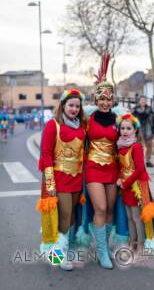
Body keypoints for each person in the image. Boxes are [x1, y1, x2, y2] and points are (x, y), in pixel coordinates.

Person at [36, 88, 86, 271]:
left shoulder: (81, 126)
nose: (74, 109)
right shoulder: (53, 125)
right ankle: (56, 255)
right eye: (71, 105)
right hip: (59, 180)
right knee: (64, 216)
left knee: (71, 217)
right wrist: (50, 183)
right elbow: (46, 154)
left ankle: (60, 249)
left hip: (76, 181)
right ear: (63, 105)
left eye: (77, 106)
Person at [84, 54, 118, 269]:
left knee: (111, 209)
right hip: (93, 168)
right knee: (101, 208)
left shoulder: (120, 119)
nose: (105, 102)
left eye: (108, 99)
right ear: (96, 100)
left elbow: (128, 144)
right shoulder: (88, 118)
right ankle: (103, 252)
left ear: (112, 100)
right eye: (101, 99)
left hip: (113, 169)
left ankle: (103, 246)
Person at [117, 113, 154, 253]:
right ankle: (132, 241)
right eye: (122, 128)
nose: (125, 131)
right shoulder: (120, 146)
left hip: (136, 186)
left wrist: (126, 183)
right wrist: (120, 178)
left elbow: (139, 169)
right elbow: (121, 167)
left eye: (128, 128)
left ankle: (141, 244)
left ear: (135, 130)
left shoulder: (136, 147)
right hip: (125, 186)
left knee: (137, 217)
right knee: (129, 217)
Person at [133, 95, 154, 167]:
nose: (143, 101)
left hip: (148, 129)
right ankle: (138, 161)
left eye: (144, 100)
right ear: (139, 101)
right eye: (141, 100)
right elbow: (131, 120)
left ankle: (148, 161)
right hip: (139, 129)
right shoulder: (135, 109)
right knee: (139, 147)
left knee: (149, 145)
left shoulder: (150, 109)